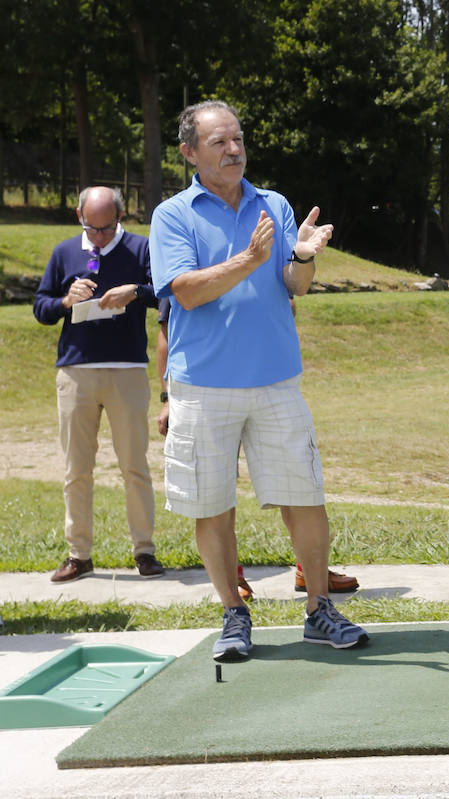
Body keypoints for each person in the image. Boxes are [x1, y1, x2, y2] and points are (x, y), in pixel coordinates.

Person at [150, 99, 368, 662]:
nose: (234, 149)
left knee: (305, 498)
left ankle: (319, 610)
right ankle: (233, 614)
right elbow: (188, 291)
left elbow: (295, 285)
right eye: (220, 141)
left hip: (276, 383)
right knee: (211, 506)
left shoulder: (274, 204)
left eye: (239, 139)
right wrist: (250, 258)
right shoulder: (173, 215)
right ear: (189, 152)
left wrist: (300, 255)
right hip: (202, 387)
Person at [154, 299, 360, 601]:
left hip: (267, 383)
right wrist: (167, 397)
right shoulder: (191, 256)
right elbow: (167, 333)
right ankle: (234, 581)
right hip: (207, 390)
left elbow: (288, 305)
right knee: (218, 495)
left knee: (296, 488)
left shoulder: (267, 252)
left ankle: (310, 569)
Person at [33, 186, 165, 583]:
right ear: (79, 217)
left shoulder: (141, 249)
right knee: (77, 468)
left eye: (108, 228)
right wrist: (65, 301)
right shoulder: (64, 253)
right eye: (93, 228)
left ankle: (144, 551)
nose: (100, 236)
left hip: (126, 370)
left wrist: (136, 292)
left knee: (134, 466)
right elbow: (41, 308)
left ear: (120, 218)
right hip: (76, 373)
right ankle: (79, 554)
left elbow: (167, 294)